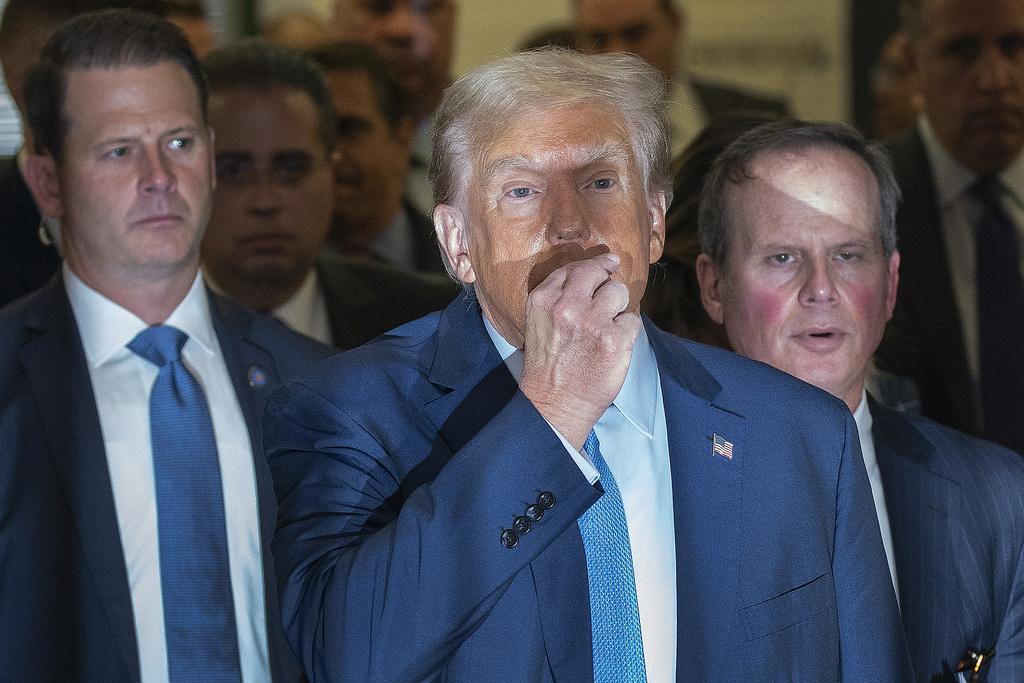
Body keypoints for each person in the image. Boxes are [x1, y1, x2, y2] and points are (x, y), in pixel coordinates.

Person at [265, 49, 910, 681]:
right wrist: (552, 413)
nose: (569, 224)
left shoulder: (801, 433)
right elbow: (344, 656)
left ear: (653, 222)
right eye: (522, 191)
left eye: (600, 182)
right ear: (457, 242)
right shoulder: (349, 410)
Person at [0, 10, 331, 680]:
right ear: (48, 182)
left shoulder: (316, 381)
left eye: (179, 142)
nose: (159, 176)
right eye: (119, 150)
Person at [696, 119, 1024, 682]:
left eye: (848, 255)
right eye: (782, 257)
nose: (821, 289)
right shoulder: (653, 487)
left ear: (891, 284)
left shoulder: (998, 499)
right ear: (714, 286)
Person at [201, 40, 456, 348]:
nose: (264, 201)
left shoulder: (437, 323)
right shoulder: (153, 336)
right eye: (232, 171)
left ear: (330, 170)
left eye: (292, 168)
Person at [878, 0, 1024, 454]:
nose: (996, 80)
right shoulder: (866, 204)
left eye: (1015, 46)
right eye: (963, 51)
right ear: (913, 61)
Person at [574, 0, 789, 156]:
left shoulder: (763, 119)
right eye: (599, 39)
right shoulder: (569, 136)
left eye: (635, 34)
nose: (619, 54)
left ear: (675, 22)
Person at [309, 40, 446, 274]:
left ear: (402, 140)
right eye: (315, 134)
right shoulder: (261, 279)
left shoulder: (468, 271)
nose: (333, 154)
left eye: (347, 129)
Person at [331, 0, 457, 217]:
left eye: (426, 8)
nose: (403, 29)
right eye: (379, 7)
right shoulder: (294, 145)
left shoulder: (499, 146)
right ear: (336, 18)